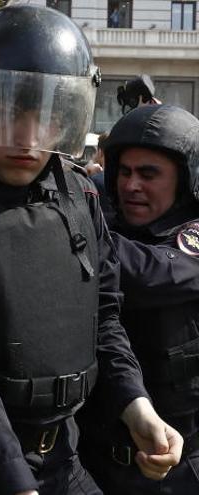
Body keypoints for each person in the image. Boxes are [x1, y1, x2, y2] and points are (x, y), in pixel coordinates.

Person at [0, 5, 181, 494]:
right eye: (8, 113)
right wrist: (15, 481)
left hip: (66, 453)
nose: (26, 138)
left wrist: (136, 405)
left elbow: (104, 317)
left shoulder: (79, 194)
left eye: (45, 116)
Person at [77, 104, 199, 494]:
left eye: (149, 174)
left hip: (175, 472)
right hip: (92, 464)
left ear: (184, 180)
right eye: (124, 172)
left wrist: (72, 232)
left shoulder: (192, 237)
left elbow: (149, 274)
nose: (132, 186)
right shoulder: (103, 217)